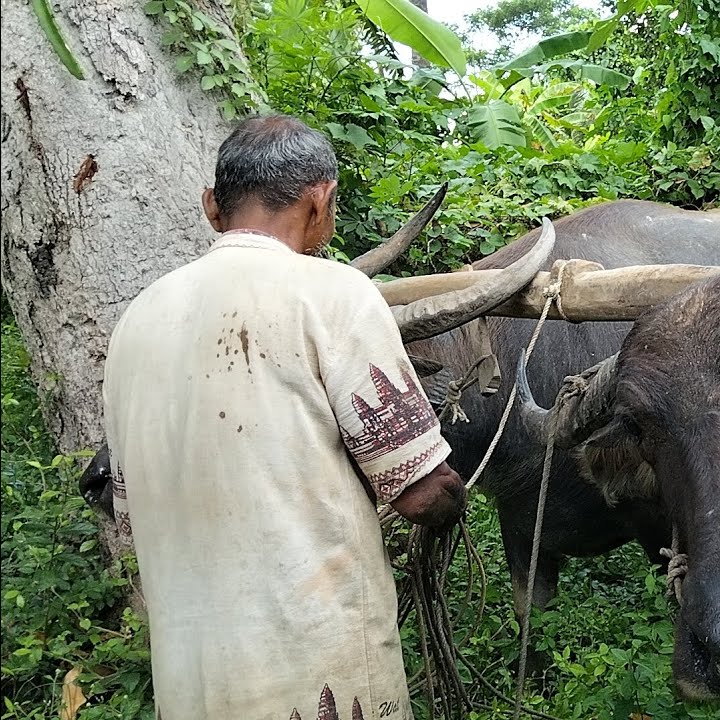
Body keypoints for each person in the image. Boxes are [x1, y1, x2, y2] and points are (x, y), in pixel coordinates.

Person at [102, 115, 464, 719]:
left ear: (213, 207)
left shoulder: (135, 322)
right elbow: (422, 495)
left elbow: (129, 516)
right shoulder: (335, 294)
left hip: (190, 687)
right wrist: (453, 496)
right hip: (316, 674)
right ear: (320, 201)